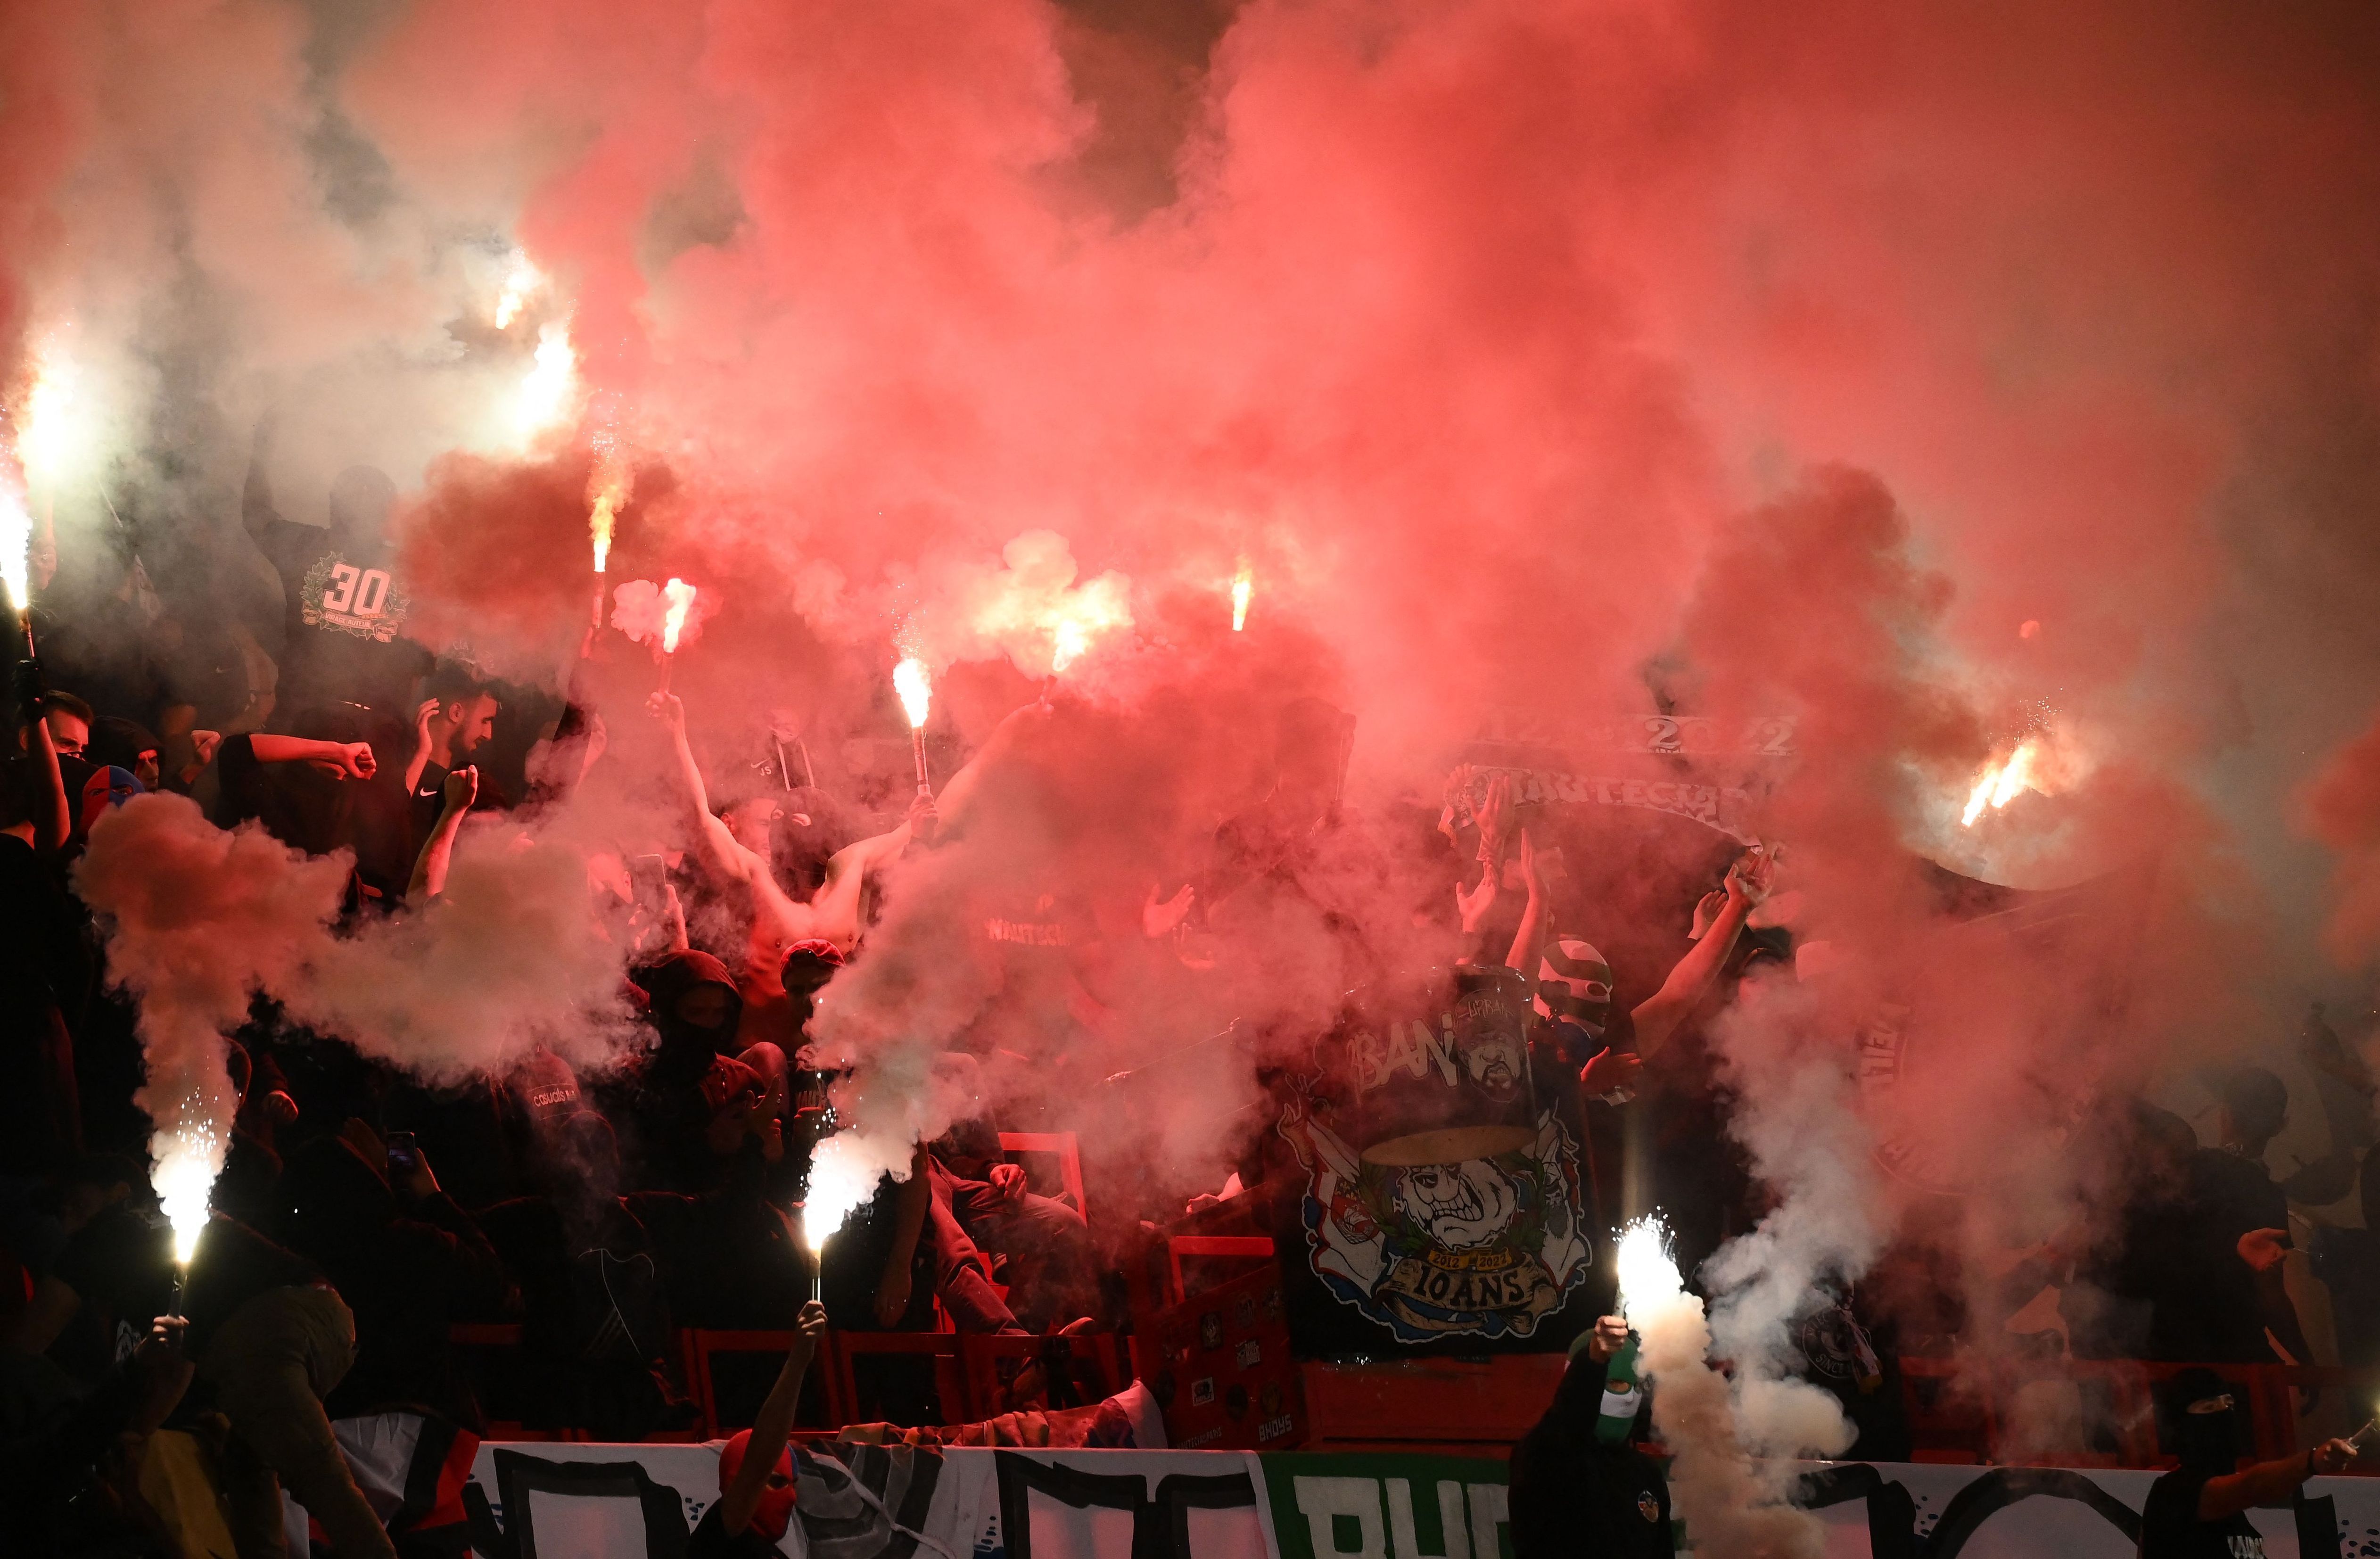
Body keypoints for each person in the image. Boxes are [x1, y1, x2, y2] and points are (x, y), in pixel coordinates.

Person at [11, 1170, 399, 1559]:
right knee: (248, 1462)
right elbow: (180, 1365)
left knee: (318, 1474)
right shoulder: (170, 1228)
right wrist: (136, 1432)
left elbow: (23, 1351)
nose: (66, 1208)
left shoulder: (102, 1233)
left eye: (76, 1196)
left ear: (119, 1191)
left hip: (265, 1327)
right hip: (328, 1315)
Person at [2139, 1368, 2360, 1558]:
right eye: (2209, 1408)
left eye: (2229, 1404)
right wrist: (2314, 1460)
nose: (2224, 1413)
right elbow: (2252, 1487)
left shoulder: (2240, 1521)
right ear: (2182, 1425)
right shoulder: (2173, 1492)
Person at [1509, 1314, 1672, 1558]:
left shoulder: (1645, 1473)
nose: (1629, 1397)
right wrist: (1594, 1359)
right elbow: (1569, 1423)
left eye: (1637, 1386)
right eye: (1616, 1383)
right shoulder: (1543, 1456)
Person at [688, 1299, 829, 1557]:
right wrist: (798, 1361)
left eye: (792, 1485)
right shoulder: (717, 1539)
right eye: (775, 1482)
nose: (792, 1498)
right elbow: (759, 1464)